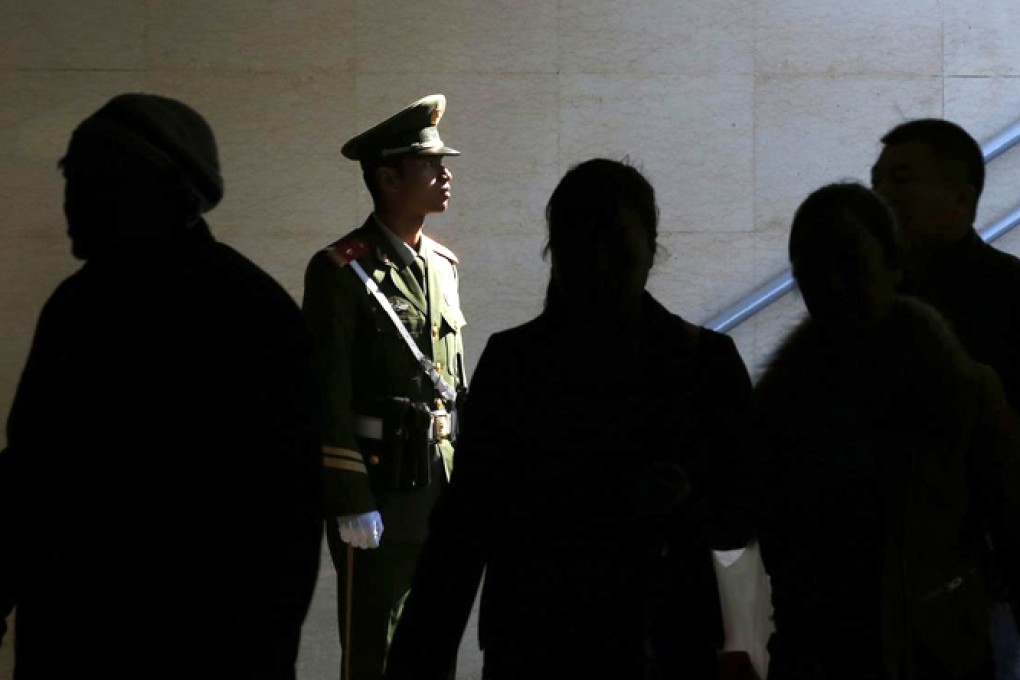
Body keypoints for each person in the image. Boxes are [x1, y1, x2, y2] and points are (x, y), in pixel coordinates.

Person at [384, 158, 757, 680]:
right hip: (661, 642)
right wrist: (681, 501)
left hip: (537, 641)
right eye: (590, 247)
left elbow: (461, 535)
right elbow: (738, 519)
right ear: (651, 246)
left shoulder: (515, 363)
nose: (602, 265)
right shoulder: (704, 362)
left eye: (612, 246)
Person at [0, 93, 322, 679]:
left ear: (157, 190)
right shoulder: (81, 307)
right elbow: (30, 479)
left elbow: (281, 530)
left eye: (89, 179)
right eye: (71, 178)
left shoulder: (249, 318)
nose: (70, 200)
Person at [755, 182, 1020, 680]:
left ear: (894, 263)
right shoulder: (960, 386)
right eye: (813, 268)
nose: (831, 284)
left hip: (847, 654)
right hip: (929, 646)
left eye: (847, 262)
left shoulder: (782, 401)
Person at [302, 94, 467, 680]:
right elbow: (326, 391)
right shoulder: (342, 269)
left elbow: (455, 384)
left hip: (442, 482)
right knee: (373, 646)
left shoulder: (444, 266)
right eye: (431, 165)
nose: (445, 174)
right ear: (389, 177)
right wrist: (350, 497)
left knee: (434, 641)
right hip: (381, 485)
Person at [872, 119, 1020, 680]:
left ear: (961, 197)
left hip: (983, 578)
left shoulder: (1011, 296)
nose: (881, 196)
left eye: (900, 179)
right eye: (877, 181)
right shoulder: (876, 305)